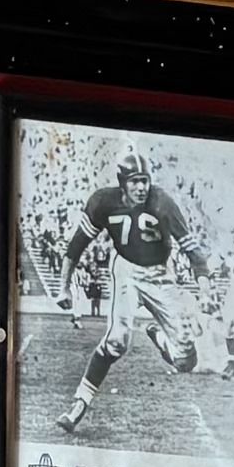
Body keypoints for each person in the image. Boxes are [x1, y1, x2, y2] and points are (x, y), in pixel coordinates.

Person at [48, 148, 203, 439]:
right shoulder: (102, 202)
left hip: (161, 275)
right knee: (117, 340)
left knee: (185, 362)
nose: (141, 187)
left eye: (145, 180)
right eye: (134, 181)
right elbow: (76, 246)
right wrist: (62, 285)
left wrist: (204, 280)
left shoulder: (163, 202)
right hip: (127, 272)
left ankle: (158, 336)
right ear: (122, 182)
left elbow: (192, 248)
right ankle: (79, 404)